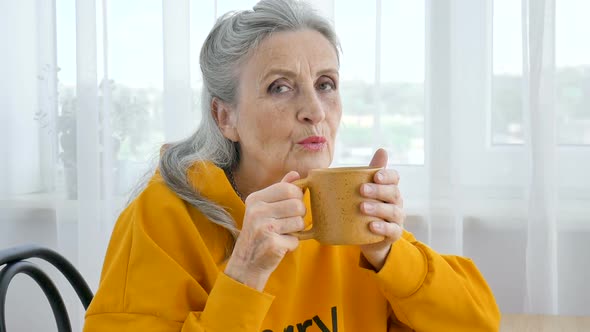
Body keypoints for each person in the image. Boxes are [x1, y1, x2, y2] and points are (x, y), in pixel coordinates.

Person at [83, 0, 500, 331]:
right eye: (280, 87)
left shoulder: (341, 203)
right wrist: (245, 273)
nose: (315, 111)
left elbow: (478, 324)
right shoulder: (161, 217)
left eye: (325, 85)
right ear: (224, 116)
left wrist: (389, 253)